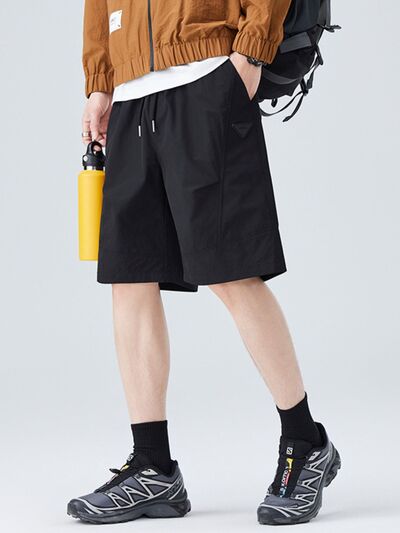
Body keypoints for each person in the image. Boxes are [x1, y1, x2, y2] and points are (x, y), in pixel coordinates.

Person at [68, 0, 341, 526]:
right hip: (130, 93)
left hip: (207, 74)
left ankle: (305, 440)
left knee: (232, 271)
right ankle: (153, 466)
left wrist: (251, 53)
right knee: (129, 277)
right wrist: (100, 81)